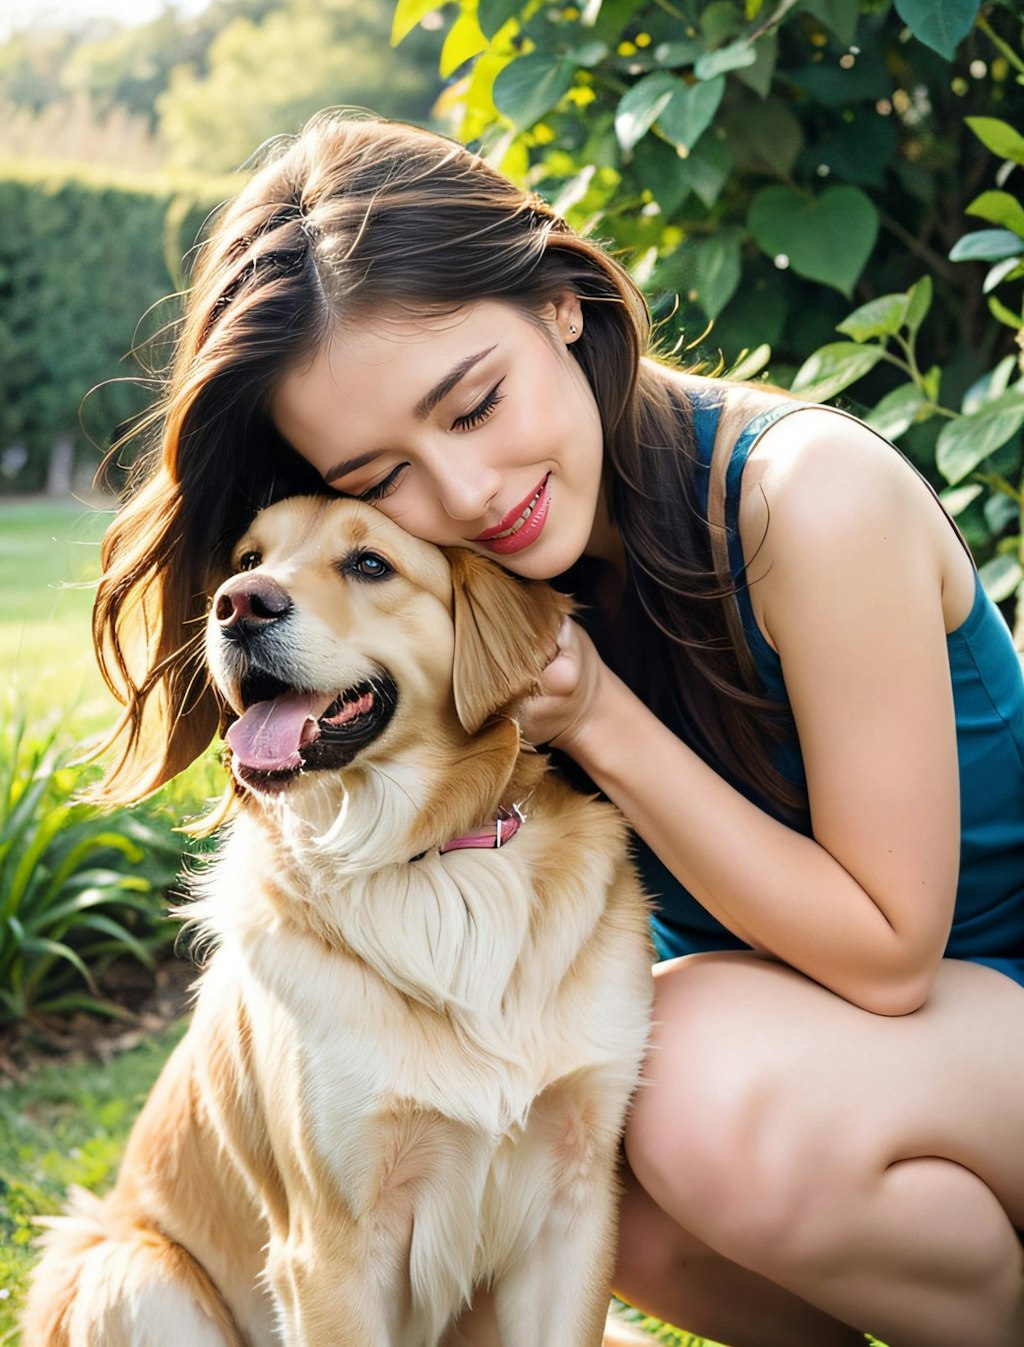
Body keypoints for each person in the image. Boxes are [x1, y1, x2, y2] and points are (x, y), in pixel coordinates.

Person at [93, 112, 1024, 1347]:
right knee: (576, 1161)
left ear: (561, 302)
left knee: (681, 1080)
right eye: (380, 479)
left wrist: (600, 715)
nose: (466, 492)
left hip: (971, 1004)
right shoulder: (478, 594)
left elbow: (891, 952)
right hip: (847, 1053)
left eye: (473, 405)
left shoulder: (804, 500)